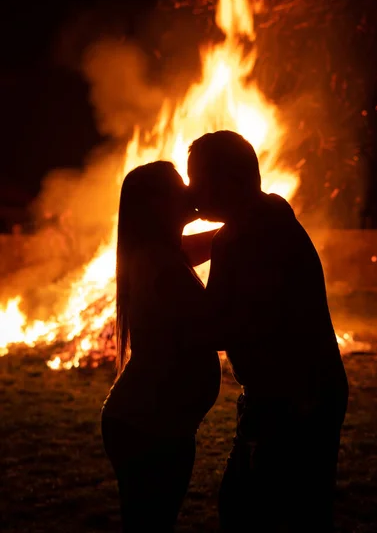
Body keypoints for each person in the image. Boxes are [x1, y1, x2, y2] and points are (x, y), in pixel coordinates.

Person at [187, 130, 349, 533]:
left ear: (229, 181)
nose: (192, 191)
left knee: (256, 509)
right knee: (294, 507)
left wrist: (169, 320)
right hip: (303, 393)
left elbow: (223, 325)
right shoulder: (268, 213)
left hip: (294, 401)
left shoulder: (248, 237)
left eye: (198, 179)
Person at [101, 161, 221, 532]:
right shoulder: (162, 266)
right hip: (150, 427)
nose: (189, 190)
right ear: (156, 204)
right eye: (178, 186)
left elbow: (222, 239)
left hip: (151, 422)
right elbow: (215, 328)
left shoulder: (162, 252)